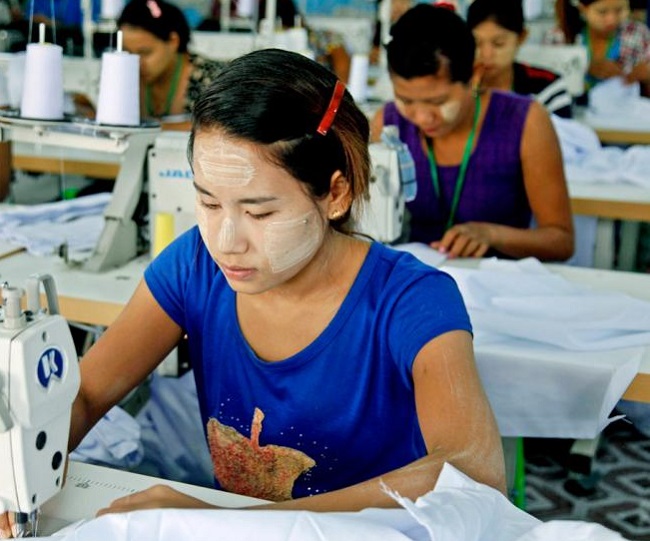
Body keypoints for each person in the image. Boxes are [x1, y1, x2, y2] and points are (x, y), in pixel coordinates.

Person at [0, 48, 505, 526]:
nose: (226, 241)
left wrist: (231, 521)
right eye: (208, 202)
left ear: (335, 193)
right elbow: (86, 392)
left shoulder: (410, 300)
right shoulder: (194, 266)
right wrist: (15, 470)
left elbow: (475, 474)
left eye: (259, 212)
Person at [370, 4, 574, 261]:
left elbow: (561, 241)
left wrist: (492, 235)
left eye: (438, 102)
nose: (421, 117)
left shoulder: (525, 121)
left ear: (474, 75)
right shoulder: (388, 124)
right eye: (406, 101)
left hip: (500, 283)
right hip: (420, 279)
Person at [117, 0, 226, 130]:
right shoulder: (122, 76)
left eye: (145, 53)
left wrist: (151, 128)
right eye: (127, 52)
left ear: (173, 41)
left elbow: (222, 128)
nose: (136, 62)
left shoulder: (214, 80)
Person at [467, 0, 574, 118]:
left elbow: (561, 135)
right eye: (477, 43)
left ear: (522, 37)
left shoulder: (546, 87)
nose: (486, 55)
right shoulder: (457, 85)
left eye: (499, 44)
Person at [546, 0, 650, 95]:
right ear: (583, 9)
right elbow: (544, 80)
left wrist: (646, 75)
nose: (611, 20)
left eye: (619, 10)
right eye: (602, 12)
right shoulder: (559, 37)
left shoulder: (638, 34)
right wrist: (583, 66)